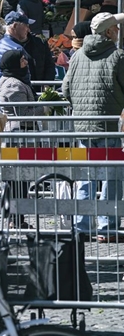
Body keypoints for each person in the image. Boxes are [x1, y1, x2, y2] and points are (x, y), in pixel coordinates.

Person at [63, 12, 124, 242]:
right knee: (112, 177)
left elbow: (65, 89)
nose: (118, 32)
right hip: (108, 125)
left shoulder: (78, 55)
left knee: (85, 176)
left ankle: (83, 226)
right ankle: (107, 227)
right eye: (116, 29)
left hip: (82, 127)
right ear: (108, 32)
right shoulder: (118, 56)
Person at [0, 12, 54, 93]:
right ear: (15, 26)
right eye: (26, 25)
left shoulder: (39, 43)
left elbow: (49, 65)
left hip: (1, 97)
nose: (29, 29)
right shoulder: (16, 49)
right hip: (16, 96)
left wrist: (47, 84)